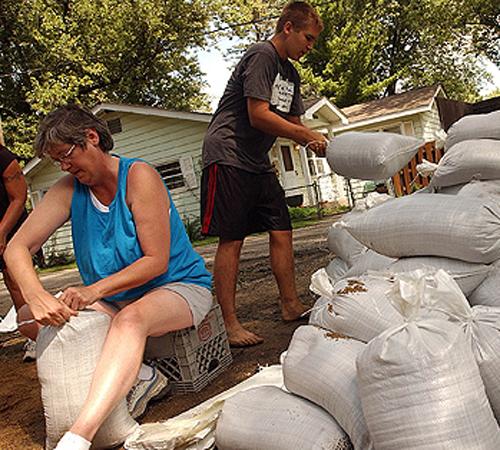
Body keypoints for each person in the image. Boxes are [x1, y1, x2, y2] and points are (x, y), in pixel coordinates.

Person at [4, 104, 213, 450]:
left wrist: (92, 291)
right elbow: (16, 248)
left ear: (92, 137)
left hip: (176, 286)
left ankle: (79, 437)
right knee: (28, 319)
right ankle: (144, 377)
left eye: (66, 155)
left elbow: (155, 261)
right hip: (115, 298)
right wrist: (35, 294)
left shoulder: (139, 176)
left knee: (130, 320)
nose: (64, 166)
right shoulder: (69, 189)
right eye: (57, 161)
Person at [200, 1, 327, 347]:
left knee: (282, 230)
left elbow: (296, 124)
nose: (309, 47)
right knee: (233, 238)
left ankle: (290, 304)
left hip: (256, 160)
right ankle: (229, 324)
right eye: (308, 38)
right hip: (227, 154)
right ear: (287, 27)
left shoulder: (291, 73)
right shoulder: (262, 56)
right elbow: (258, 115)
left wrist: (321, 144)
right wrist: (305, 136)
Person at [0, 144, 32, 358]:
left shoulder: (3, 158)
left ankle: (35, 334)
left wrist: (1, 232)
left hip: (9, 224)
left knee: (15, 280)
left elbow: (19, 198)